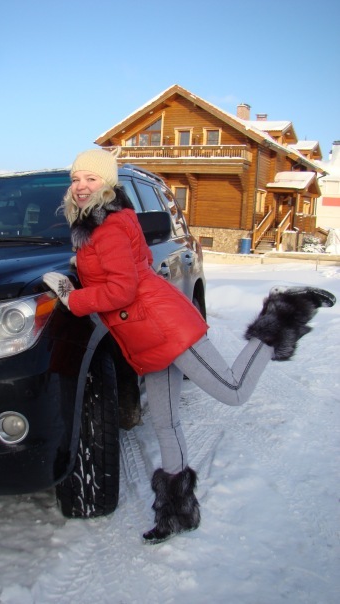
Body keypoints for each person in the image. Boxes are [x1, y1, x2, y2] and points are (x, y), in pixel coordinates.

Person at [43, 149, 336, 544]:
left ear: (107, 184)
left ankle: (283, 310)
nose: (81, 186)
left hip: (166, 327)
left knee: (233, 389)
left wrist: (72, 298)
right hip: (145, 336)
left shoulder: (108, 227)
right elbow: (128, 264)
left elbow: (122, 289)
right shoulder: (97, 225)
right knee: (166, 423)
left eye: (91, 179)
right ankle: (177, 512)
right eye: (76, 179)